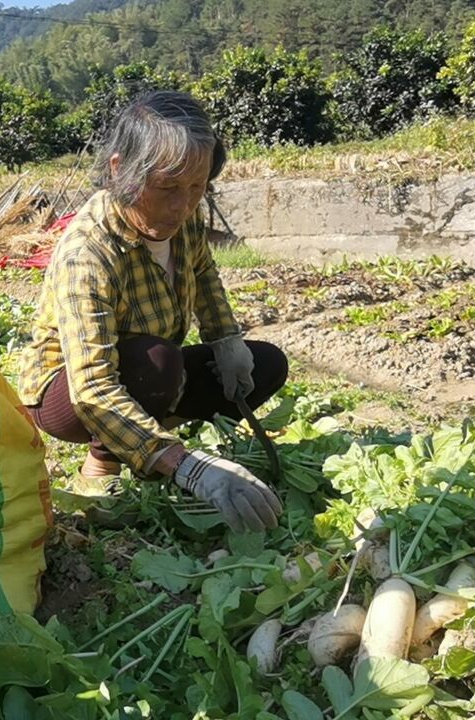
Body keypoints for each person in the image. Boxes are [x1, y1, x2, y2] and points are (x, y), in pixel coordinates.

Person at [18, 91, 288, 535]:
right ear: (120, 169)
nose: (182, 206)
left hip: (151, 371)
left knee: (265, 364)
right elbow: (92, 388)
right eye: (167, 189)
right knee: (156, 363)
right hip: (67, 395)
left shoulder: (185, 224)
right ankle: (105, 463)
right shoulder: (87, 253)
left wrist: (226, 339)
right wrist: (191, 469)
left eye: (196, 188)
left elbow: (204, 276)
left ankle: (148, 440)